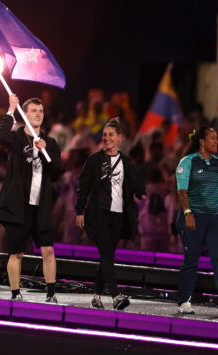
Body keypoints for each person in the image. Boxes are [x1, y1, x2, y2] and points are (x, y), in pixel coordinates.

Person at [0, 94, 63, 302]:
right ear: (25, 115)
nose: (38, 114)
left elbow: (57, 171)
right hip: (19, 207)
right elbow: (1, 135)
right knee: (16, 253)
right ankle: (16, 294)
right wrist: (10, 109)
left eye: (41, 111)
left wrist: (44, 152)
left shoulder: (49, 142)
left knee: (48, 250)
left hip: (40, 207)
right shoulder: (16, 137)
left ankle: (51, 294)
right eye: (33, 111)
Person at [75, 118, 145, 310]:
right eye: (104, 135)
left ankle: (96, 296)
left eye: (111, 135)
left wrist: (141, 192)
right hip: (98, 216)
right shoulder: (93, 160)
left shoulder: (127, 162)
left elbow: (136, 181)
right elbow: (83, 187)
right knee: (107, 255)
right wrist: (80, 211)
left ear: (120, 138)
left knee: (106, 257)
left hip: (118, 217)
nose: (106, 138)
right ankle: (116, 297)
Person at [174, 127, 218, 315]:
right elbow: (182, 191)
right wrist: (188, 213)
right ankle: (183, 301)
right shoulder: (188, 162)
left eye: (217, 138)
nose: (217, 142)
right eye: (212, 138)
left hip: (215, 219)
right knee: (191, 259)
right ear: (201, 141)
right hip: (193, 216)